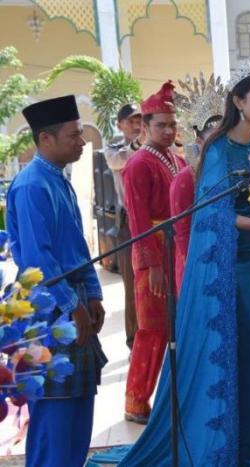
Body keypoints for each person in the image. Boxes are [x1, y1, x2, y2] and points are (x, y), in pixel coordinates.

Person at [117, 60, 250, 466]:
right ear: (238, 102)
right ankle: (232, 446)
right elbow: (215, 215)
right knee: (240, 352)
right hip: (232, 264)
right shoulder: (218, 150)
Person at [7, 95, 108, 467]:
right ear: (46, 139)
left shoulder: (58, 180)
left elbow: (77, 245)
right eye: (74, 135)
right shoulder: (31, 186)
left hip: (73, 302)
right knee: (55, 414)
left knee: (78, 411)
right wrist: (72, 305)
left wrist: (93, 294)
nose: (82, 142)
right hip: (50, 311)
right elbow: (38, 260)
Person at [121, 81, 188, 424]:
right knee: (152, 328)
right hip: (153, 254)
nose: (168, 131)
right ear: (144, 127)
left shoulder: (177, 159)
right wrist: (153, 265)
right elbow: (137, 219)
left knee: (176, 325)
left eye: (172, 124)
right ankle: (136, 401)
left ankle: (170, 397)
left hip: (176, 250)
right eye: (161, 125)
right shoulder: (138, 164)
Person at [170, 114, 222, 292]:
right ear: (199, 142)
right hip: (196, 263)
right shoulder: (185, 179)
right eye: (214, 140)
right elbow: (182, 231)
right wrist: (197, 266)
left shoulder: (231, 173)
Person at [104, 103, 142, 351]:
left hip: (156, 222)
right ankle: (134, 342)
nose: (137, 124)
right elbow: (119, 161)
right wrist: (141, 144)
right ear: (120, 125)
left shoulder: (152, 144)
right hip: (129, 223)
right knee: (133, 285)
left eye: (140, 119)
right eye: (131, 120)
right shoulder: (114, 149)